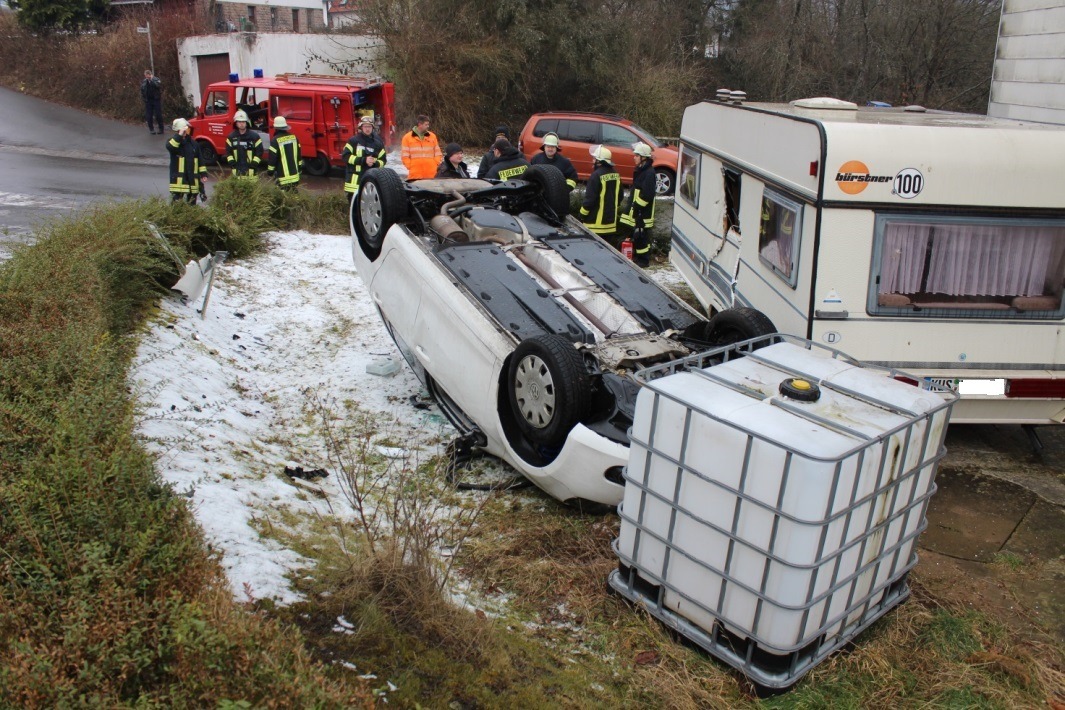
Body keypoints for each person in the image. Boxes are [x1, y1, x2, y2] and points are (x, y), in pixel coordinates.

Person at [620, 142, 657, 266]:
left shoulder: (649, 173)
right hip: (638, 209)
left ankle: (643, 260)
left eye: (636, 155)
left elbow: (647, 194)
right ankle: (639, 258)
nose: (634, 157)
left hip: (643, 211)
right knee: (638, 234)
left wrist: (637, 207)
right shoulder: (642, 170)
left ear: (643, 158)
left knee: (641, 235)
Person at [580, 145, 621, 236]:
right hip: (610, 225)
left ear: (599, 161)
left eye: (594, 159)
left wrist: (582, 214)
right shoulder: (616, 174)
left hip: (594, 224)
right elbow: (620, 196)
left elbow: (590, 199)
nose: (593, 161)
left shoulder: (596, 175)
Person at [342, 116, 387, 198]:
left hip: (371, 181)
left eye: (369, 126)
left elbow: (383, 161)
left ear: (372, 128)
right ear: (361, 127)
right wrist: (363, 160)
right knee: (354, 208)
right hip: (354, 183)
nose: (367, 129)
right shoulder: (353, 141)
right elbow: (345, 156)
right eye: (365, 126)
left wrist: (374, 163)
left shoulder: (378, 144)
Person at [167, 118, 206, 203]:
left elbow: (200, 159)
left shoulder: (194, 144)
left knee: (192, 203)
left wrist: (203, 174)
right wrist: (179, 135)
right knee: (176, 204)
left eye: (188, 129)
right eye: (185, 129)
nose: (187, 131)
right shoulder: (173, 142)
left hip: (192, 179)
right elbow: (170, 147)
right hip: (178, 181)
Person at [401, 114, 442, 180]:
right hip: (415, 174)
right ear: (420, 124)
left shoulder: (432, 136)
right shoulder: (407, 137)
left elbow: (438, 153)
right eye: (426, 124)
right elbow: (404, 156)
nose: (428, 126)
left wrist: (435, 163)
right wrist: (411, 166)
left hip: (431, 174)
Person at [267, 115, 302, 190]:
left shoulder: (275, 140)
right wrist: (299, 168)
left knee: (283, 197)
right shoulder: (294, 137)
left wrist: (270, 171)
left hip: (282, 177)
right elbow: (299, 156)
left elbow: (272, 158)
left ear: (275, 128)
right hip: (295, 175)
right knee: (294, 195)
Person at [225, 110, 262, 179]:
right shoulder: (231, 137)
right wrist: (232, 163)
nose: (241, 124)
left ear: (247, 123)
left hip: (251, 173)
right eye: (239, 122)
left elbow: (259, 152)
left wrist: (254, 164)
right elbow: (228, 152)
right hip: (237, 172)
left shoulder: (254, 136)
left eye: (243, 122)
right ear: (236, 123)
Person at [141, 69, 164, 135]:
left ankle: (161, 129)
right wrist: (144, 98)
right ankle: (151, 129)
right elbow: (142, 90)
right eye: (145, 76)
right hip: (148, 100)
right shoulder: (144, 81)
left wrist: (152, 80)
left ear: (149, 74)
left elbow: (158, 86)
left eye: (146, 75)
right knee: (149, 115)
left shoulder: (156, 79)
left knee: (158, 114)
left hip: (156, 100)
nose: (146, 77)